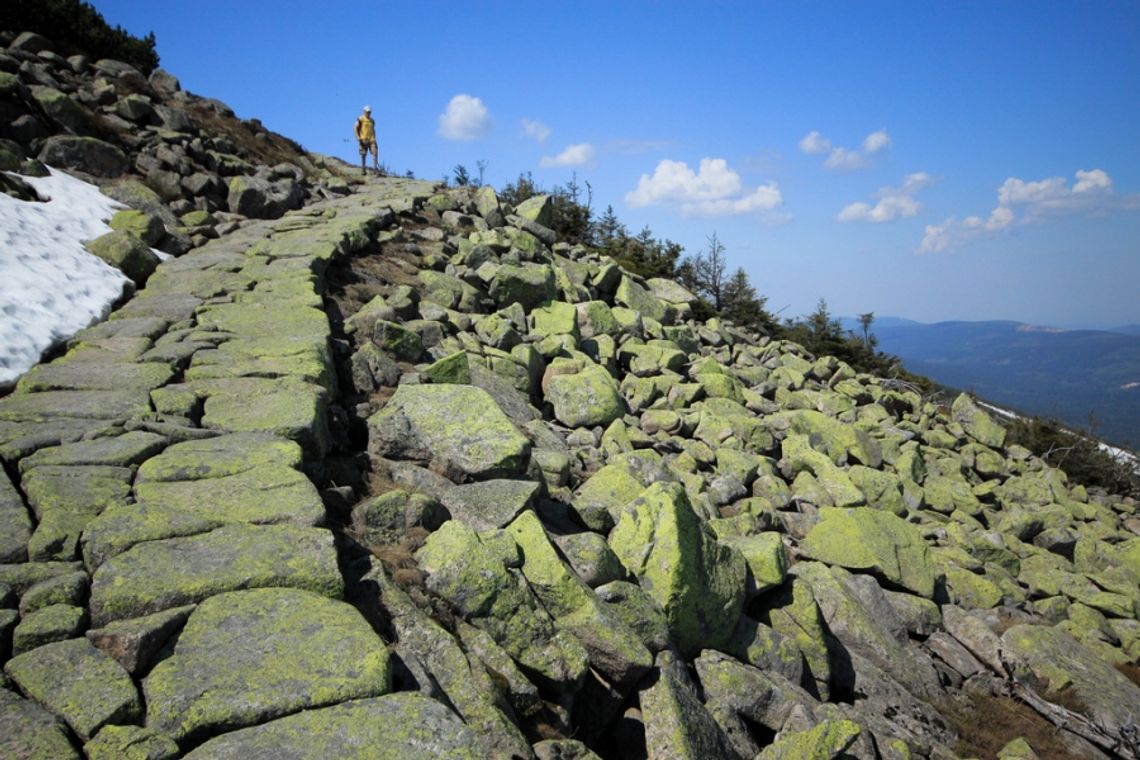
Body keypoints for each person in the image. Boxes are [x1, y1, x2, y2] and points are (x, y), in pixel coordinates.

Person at [354, 105, 379, 176]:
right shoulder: (360, 119)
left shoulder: (372, 121)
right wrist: (357, 136)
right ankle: (363, 170)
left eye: (369, 112)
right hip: (363, 139)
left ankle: (374, 169)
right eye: (367, 112)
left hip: (371, 140)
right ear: (364, 111)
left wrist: (374, 137)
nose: (368, 113)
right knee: (363, 155)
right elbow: (355, 128)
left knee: (375, 153)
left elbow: (373, 130)